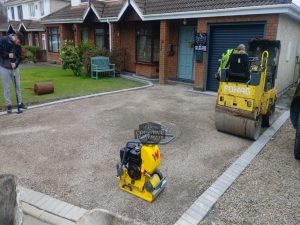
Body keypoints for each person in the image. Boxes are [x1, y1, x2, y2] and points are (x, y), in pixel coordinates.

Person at [0, 32, 27, 113]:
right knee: (7, 87)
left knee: (17, 85)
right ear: (15, 37)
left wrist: (15, 63)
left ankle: (20, 103)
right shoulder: (3, 40)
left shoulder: (18, 45)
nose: (18, 44)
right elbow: (1, 52)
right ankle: (8, 105)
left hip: (14, 67)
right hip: (4, 67)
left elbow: (19, 56)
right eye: (18, 42)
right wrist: (8, 55)